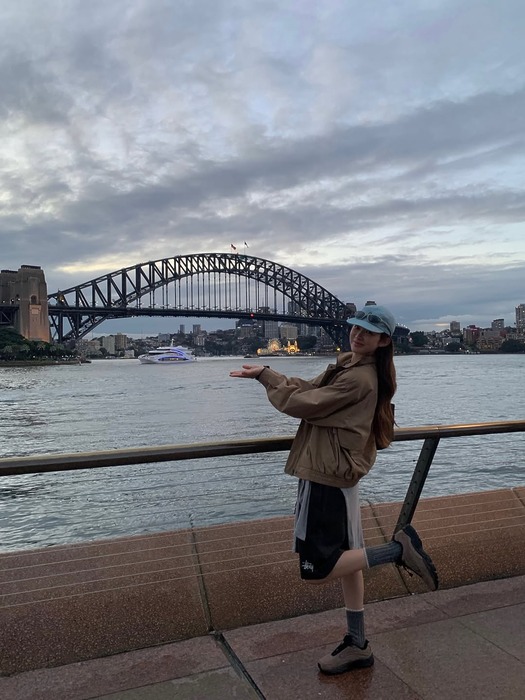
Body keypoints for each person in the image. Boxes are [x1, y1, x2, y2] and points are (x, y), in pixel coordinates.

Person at [230, 304, 438, 675]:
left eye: (368, 332)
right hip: (340, 474)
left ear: (383, 341)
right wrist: (268, 372)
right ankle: (357, 643)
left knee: (318, 568)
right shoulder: (353, 366)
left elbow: (301, 403)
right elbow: (311, 389)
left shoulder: (359, 378)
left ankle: (397, 551)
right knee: (348, 559)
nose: (358, 334)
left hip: (326, 475)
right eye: (356, 327)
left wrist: (264, 378)